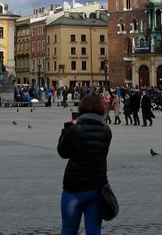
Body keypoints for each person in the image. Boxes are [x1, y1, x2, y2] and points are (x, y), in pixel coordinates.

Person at [57, 93, 112, 235]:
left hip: (74, 189)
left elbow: (63, 152)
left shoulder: (75, 130)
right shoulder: (106, 131)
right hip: (96, 189)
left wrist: (66, 130)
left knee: (69, 230)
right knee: (94, 231)